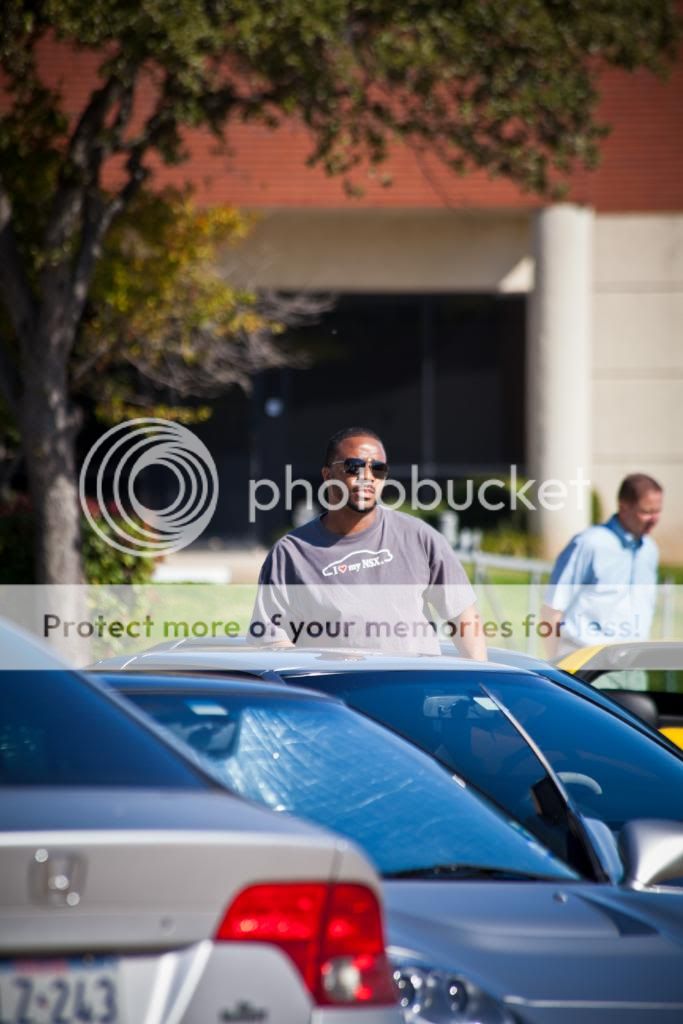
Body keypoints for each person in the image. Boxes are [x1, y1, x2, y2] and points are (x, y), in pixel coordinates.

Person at [251, 426, 487, 658]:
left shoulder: (421, 538)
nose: (367, 477)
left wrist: (477, 680)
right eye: (353, 467)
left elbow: (464, 619)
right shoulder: (291, 552)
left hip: (415, 693)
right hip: (334, 694)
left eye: (378, 469)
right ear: (327, 475)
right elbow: (272, 640)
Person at [540, 473, 663, 660]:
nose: (654, 519)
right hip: (585, 663)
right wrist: (555, 665)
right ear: (623, 507)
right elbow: (552, 610)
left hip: (634, 665)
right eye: (646, 512)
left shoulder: (650, 550)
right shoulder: (588, 544)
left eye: (657, 511)